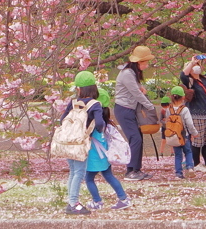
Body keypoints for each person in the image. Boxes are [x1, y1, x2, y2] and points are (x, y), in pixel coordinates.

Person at [60, 71, 105, 215]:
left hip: (69, 141)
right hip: (81, 143)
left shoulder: (73, 103)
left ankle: (71, 201)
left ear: (79, 89)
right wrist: (92, 132)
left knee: (73, 172)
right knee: (79, 172)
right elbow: (100, 123)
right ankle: (74, 203)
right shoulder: (95, 104)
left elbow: (62, 120)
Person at [114, 45, 157, 181]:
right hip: (123, 109)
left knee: (138, 138)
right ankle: (130, 171)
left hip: (129, 109)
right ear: (139, 62)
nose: (147, 64)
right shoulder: (127, 73)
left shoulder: (132, 73)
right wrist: (150, 107)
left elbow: (138, 90)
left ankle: (136, 169)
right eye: (145, 62)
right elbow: (136, 93)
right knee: (135, 139)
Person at [85, 89, 131, 210]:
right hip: (104, 155)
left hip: (94, 156)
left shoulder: (93, 123)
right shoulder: (106, 121)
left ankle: (97, 201)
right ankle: (123, 198)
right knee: (109, 176)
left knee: (89, 178)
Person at [180, 54, 206, 171]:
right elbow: (183, 75)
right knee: (197, 140)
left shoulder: (204, 79)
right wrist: (191, 63)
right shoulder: (189, 82)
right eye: (194, 66)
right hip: (196, 114)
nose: (197, 67)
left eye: (198, 65)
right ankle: (196, 163)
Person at [163, 85, 198, 179]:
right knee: (188, 152)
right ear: (183, 97)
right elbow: (189, 124)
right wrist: (194, 133)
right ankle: (190, 167)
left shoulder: (168, 109)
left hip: (173, 136)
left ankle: (178, 174)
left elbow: (167, 122)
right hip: (184, 135)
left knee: (178, 155)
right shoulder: (184, 109)